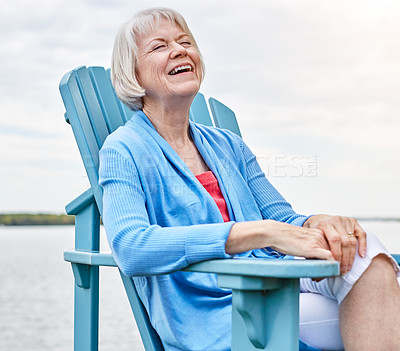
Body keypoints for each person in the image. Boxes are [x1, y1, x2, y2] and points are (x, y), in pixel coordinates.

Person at [99, 7, 400, 351]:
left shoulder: (227, 144)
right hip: (217, 311)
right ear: (132, 74)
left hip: (275, 282)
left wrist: (322, 223)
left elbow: (283, 219)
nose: (180, 50)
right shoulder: (123, 149)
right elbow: (131, 247)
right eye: (159, 46)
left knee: (363, 247)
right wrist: (255, 233)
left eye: (185, 42)